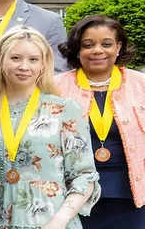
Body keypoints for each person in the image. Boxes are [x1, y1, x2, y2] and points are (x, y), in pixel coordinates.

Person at [0, 27, 100, 228]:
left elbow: (84, 176)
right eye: (15, 58)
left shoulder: (64, 110)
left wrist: (59, 222)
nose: (24, 66)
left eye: (33, 59)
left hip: (51, 221)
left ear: (43, 64)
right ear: (1, 61)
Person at [55, 15, 145, 226]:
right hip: (71, 198)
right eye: (88, 45)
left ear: (119, 47)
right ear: (77, 49)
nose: (97, 51)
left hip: (133, 197)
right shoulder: (55, 87)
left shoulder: (141, 85)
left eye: (106, 44)